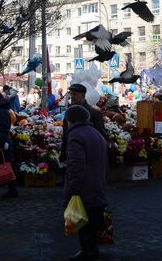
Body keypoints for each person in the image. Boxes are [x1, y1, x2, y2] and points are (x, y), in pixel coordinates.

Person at [64, 105, 108, 261]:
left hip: (84, 187)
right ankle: (92, 251)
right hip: (97, 186)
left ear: (71, 120)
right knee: (93, 221)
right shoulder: (96, 134)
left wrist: (72, 190)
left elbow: (76, 166)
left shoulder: (76, 136)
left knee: (83, 223)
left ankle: (87, 252)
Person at [61, 84, 106, 164]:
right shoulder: (69, 112)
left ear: (82, 95)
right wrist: (63, 157)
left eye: (75, 94)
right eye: (70, 94)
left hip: (88, 156)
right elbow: (65, 135)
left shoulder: (94, 113)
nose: (72, 97)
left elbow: (101, 135)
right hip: (71, 154)